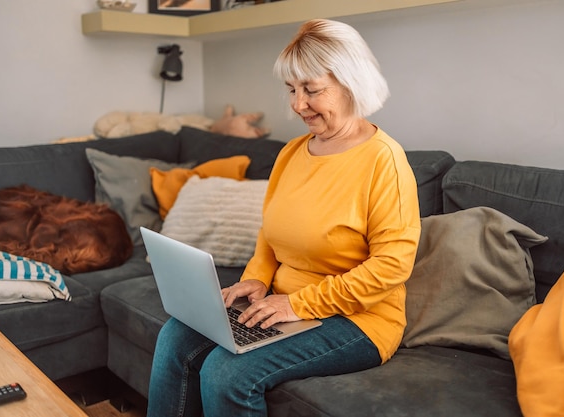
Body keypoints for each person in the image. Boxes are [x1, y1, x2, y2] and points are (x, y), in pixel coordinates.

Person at [146, 18, 421, 417]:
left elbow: (392, 266)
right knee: (175, 335)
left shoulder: (384, 161)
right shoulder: (292, 153)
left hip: (359, 319)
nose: (297, 104)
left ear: (351, 83)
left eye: (311, 90)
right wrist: (256, 278)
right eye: (292, 89)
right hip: (283, 303)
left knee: (226, 374)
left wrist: (298, 304)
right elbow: (270, 233)